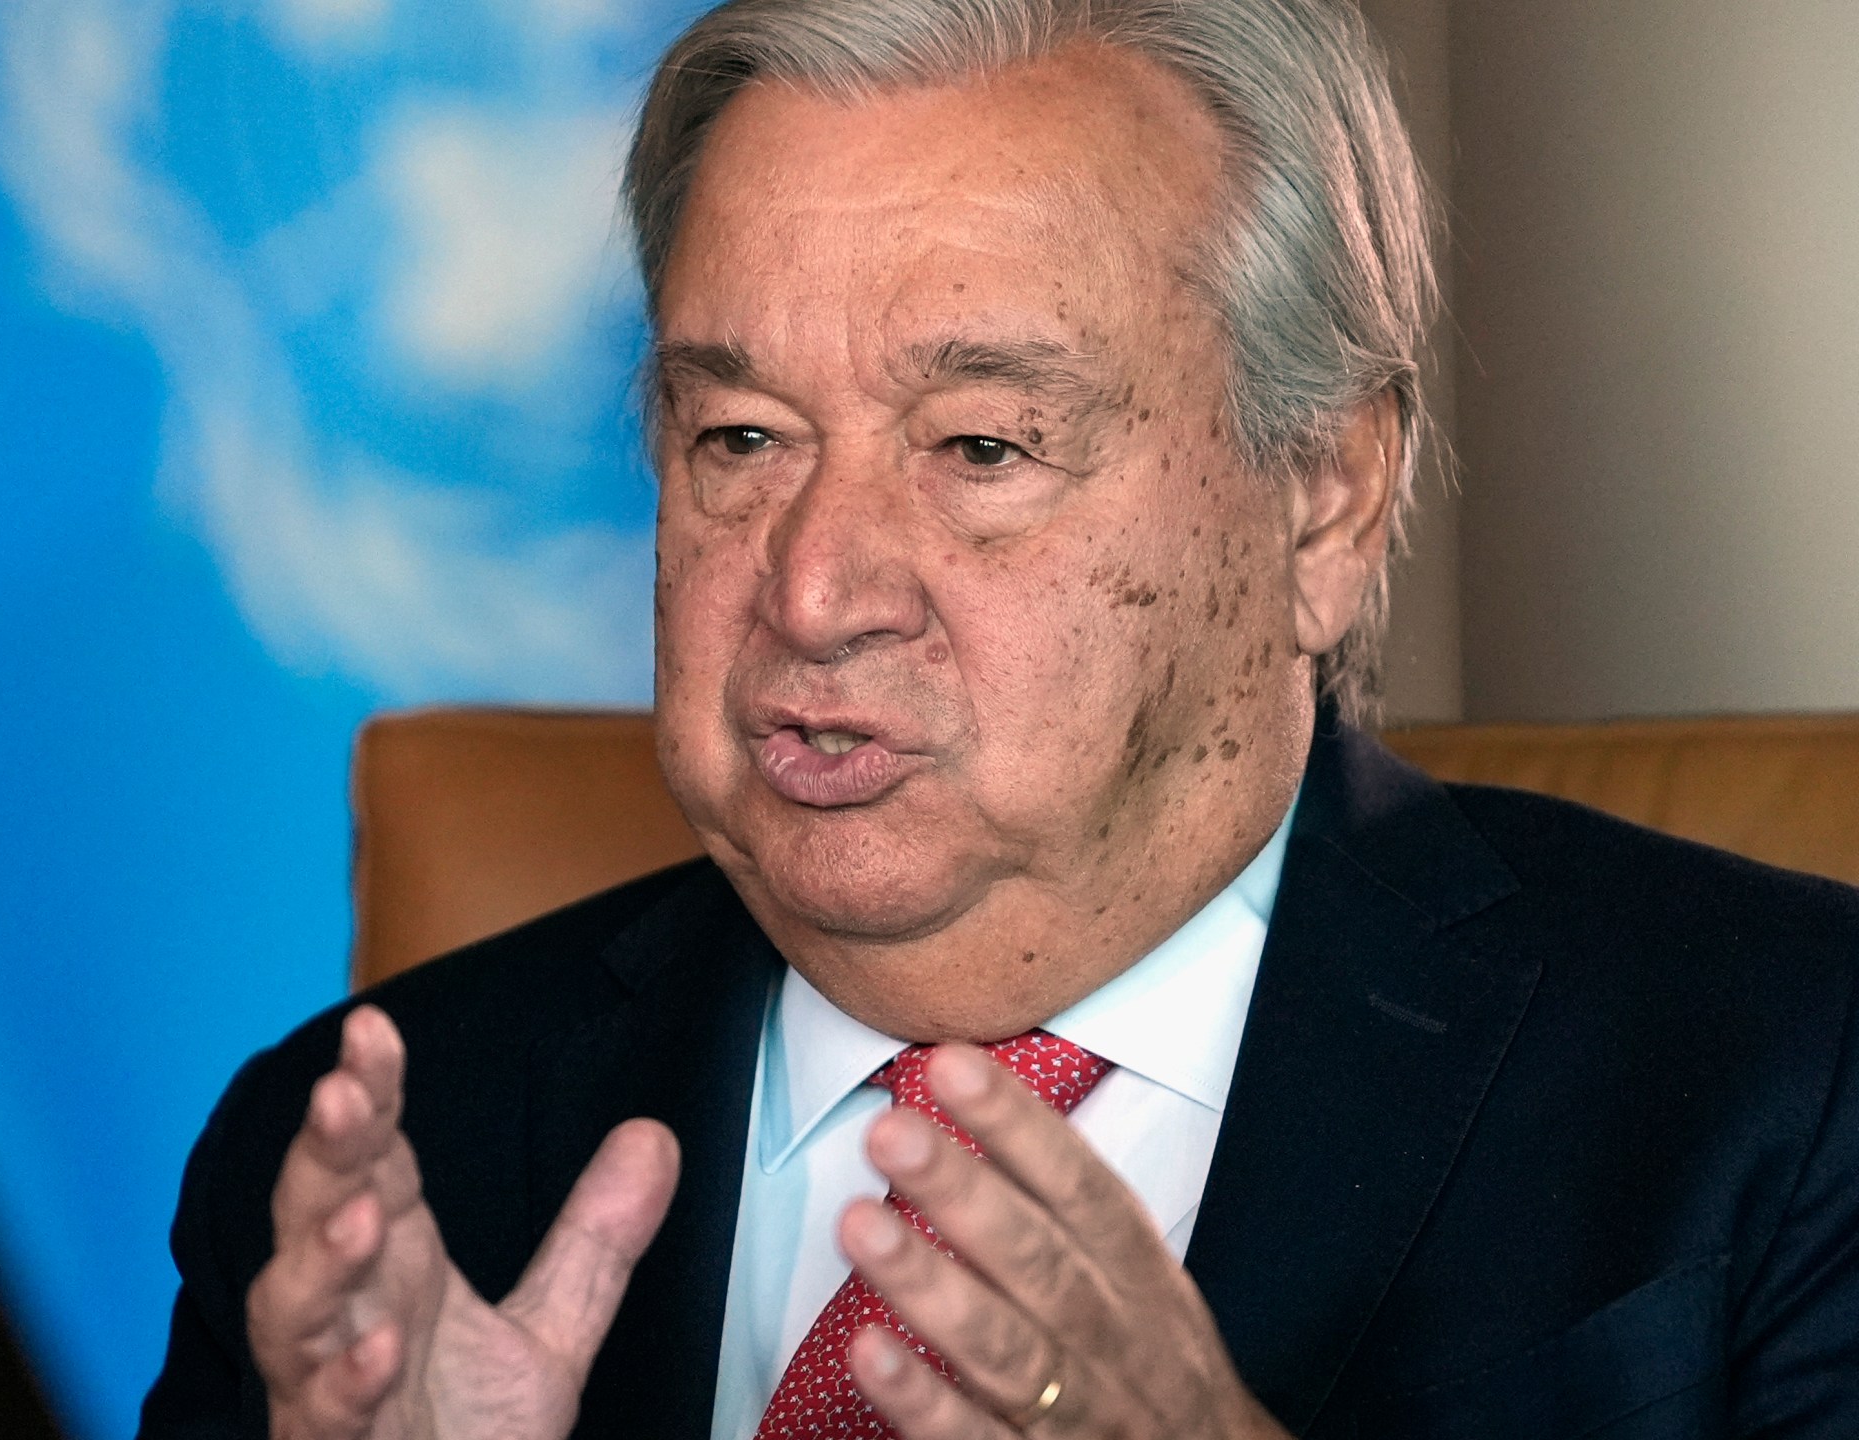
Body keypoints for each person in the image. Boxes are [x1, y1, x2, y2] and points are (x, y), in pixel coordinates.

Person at [138, 0, 1859, 1435]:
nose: (815, 593)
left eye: (980, 448)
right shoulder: (373, 1183)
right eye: (740, 440)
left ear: (1322, 504)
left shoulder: (1788, 1083)